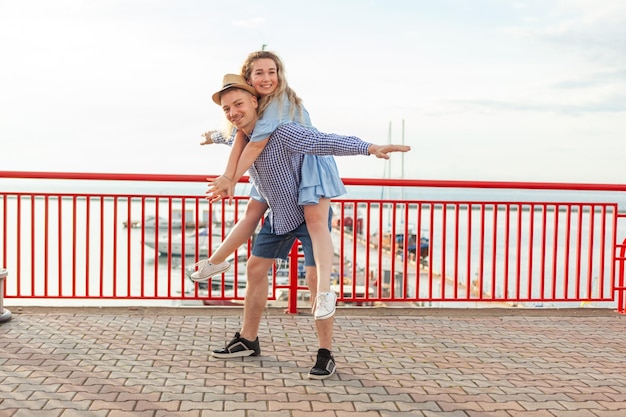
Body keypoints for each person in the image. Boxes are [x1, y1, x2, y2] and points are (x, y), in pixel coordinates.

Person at [209, 74, 410, 379]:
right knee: (254, 268)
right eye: (226, 108)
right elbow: (228, 134)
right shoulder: (242, 137)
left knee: (316, 279)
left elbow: (323, 141)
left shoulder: (284, 131)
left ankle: (325, 353)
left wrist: (368, 147)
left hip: (308, 206)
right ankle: (248, 340)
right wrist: (212, 135)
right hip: (278, 211)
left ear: (254, 101)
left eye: (238, 104)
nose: (233, 112)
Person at [194, 50, 346, 321]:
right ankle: (216, 261)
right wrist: (213, 138)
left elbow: (254, 144)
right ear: (249, 80)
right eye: (259, 74)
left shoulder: (278, 101)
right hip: (275, 170)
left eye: (271, 72)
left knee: (314, 223)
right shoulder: (256, 106)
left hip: (306, 166)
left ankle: (324, 292)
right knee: (251, 213)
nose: (267, 79)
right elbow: (238, 135)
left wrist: (231, 178)